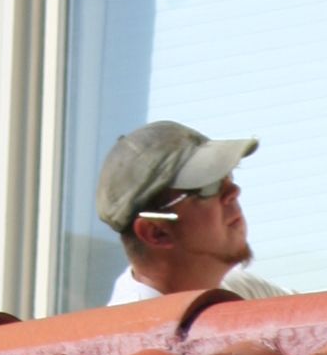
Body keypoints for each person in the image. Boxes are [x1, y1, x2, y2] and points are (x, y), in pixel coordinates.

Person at [97, 119, 290, 304]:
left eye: (227, 175)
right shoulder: (131, 334)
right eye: (209, 186)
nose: (233, 192)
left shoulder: (239, 290)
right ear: (155, 232)